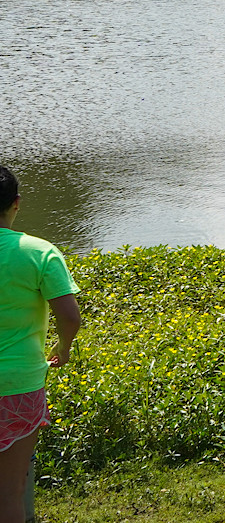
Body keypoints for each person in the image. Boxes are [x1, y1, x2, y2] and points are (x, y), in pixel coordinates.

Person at [0, 167, 80, 523]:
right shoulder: (40, 252)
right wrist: (63, 349)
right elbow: (69, 316)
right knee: (10, 494)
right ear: (16, 203)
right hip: (19, 385)